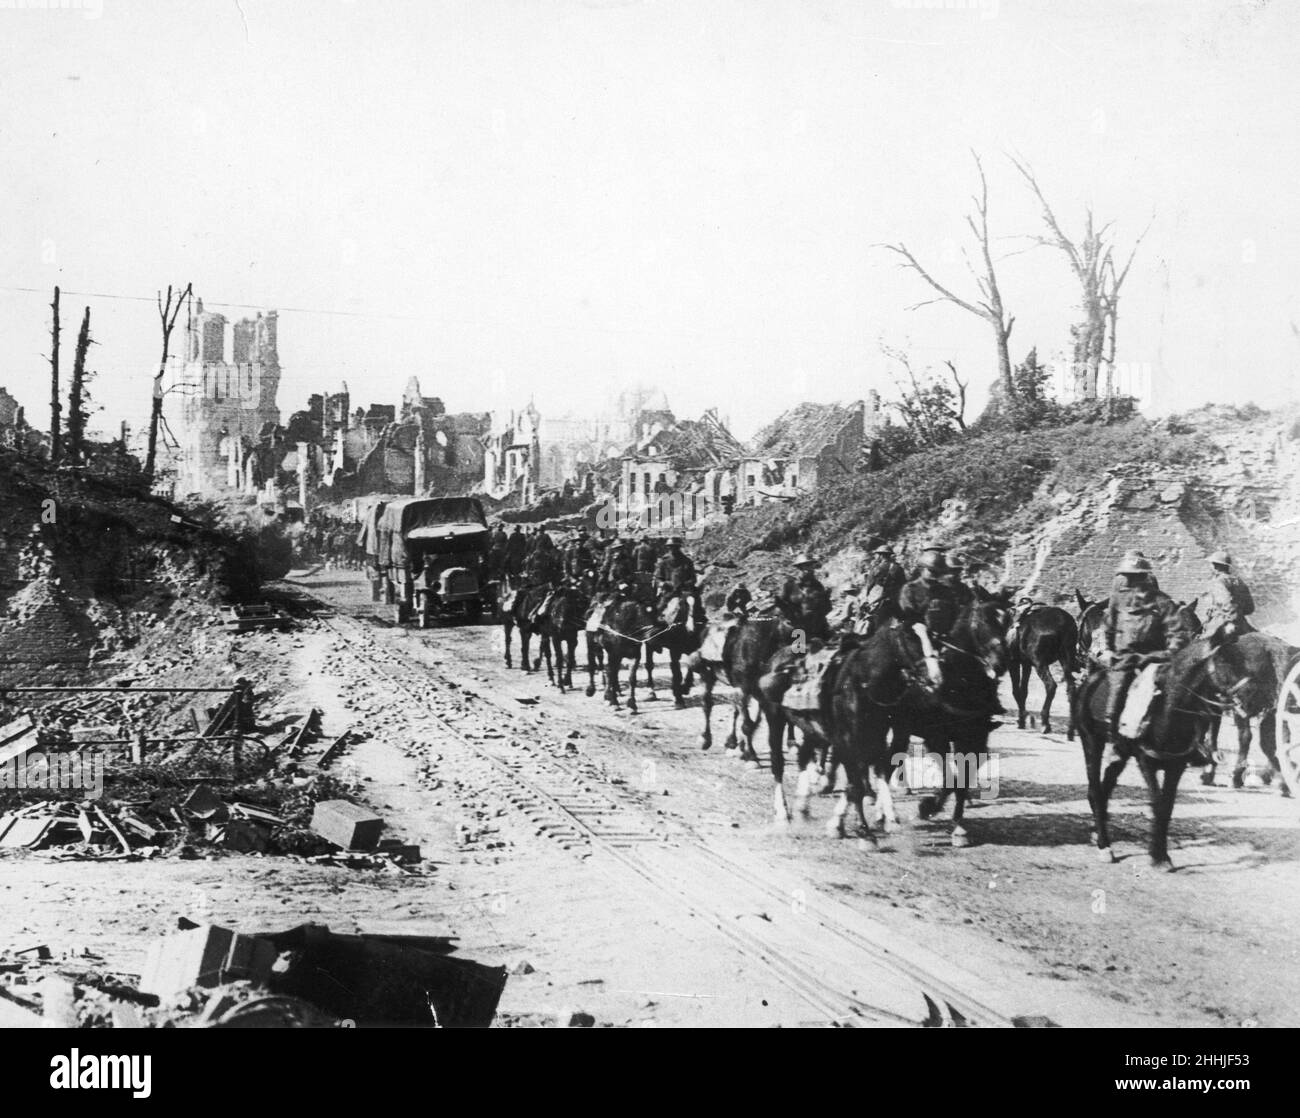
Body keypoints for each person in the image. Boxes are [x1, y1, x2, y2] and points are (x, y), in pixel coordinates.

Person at [1101, 554, 1183, 743]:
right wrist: (1107, 649)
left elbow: (1177, 633)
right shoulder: (1117, 599)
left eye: (1136, 577)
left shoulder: (1162, 601)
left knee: (1181, 694)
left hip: (1156, 659)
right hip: (1125, 657)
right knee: (1117, 690)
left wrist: (1168, 652)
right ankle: (1113, 736)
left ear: (1145, 577)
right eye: (1128, 577)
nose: (1131, 582)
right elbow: (1108, 625)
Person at [896, 547, 960, 682]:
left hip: (945, 642)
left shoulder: (946, 591)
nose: (934, 575)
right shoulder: (910, 589)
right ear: (922, 569)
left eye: (938, 573)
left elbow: (955, 616)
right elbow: (908, 616)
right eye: (931, 571)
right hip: (917, 641)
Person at [775, 554, 832, 642]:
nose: (809, 569)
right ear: (800, 568)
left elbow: (827, 608)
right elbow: (779, 605)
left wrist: (826, 597)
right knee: (798, 652)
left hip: (817, 628)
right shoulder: (789, 585)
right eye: (806, 566)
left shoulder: (817, 585)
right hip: (797, 630)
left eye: (811, 566)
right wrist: (787, 619)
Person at [1202, 550, 1255, 638]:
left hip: (1223, 623)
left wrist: (1229, 621)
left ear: (1216, 566)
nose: (1211, 566)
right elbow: (1250, 608)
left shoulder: (1218, 582)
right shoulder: (1239, 581)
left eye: (1211, 564)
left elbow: (1227, 603)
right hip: (1243, 624)